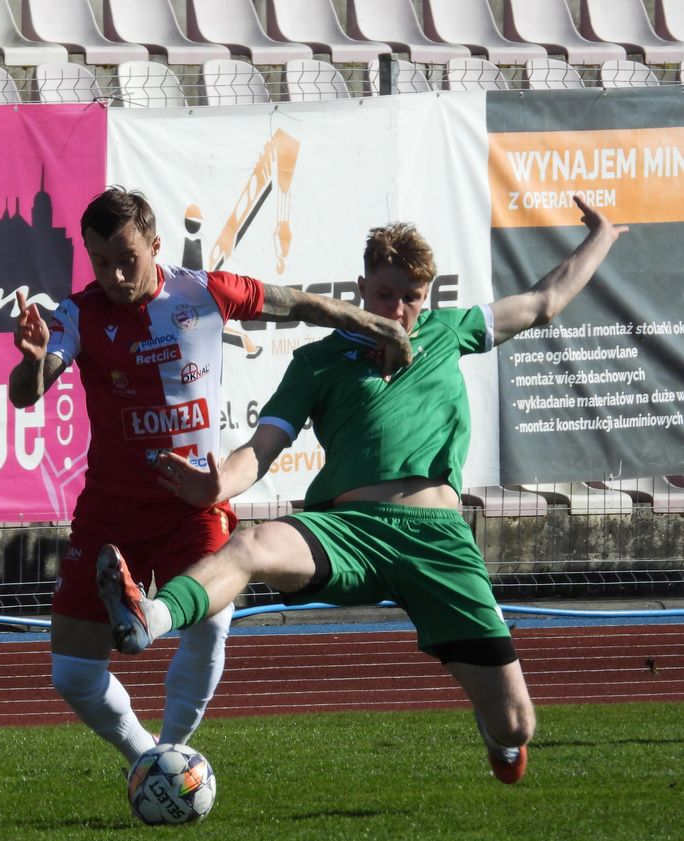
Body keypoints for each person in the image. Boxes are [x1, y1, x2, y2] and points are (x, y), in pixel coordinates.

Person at [97, 195, 628, 783]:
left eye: (411, 297)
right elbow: (262, 448)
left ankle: (499, 738)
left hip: (439, 541)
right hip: (349, 532)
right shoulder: (319, 362)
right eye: (384, 295)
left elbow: (545, 303)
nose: (397, 310)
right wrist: (219, 483)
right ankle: (152, 616)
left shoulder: (448, 332)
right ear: (360, 290)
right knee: (249, 545)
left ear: (428, 295)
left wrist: (602, 235)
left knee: (516, 725)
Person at [8, 186, 412, 766]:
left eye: (127, 259)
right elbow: (27, 393)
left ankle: (172, 756)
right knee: (72, 674)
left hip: (191, 502)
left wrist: (375, 324)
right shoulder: (76, 315)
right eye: (101, 262)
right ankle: (148, 760)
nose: (115, 275)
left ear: (156, 247)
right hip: (110, 510)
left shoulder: (202, 292)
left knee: (212, 624)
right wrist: (30, 362)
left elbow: (298, 304)